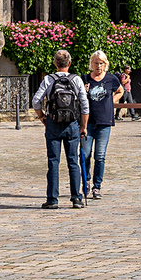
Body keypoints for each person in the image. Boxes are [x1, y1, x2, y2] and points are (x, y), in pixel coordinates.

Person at [30, 49, 87, 209]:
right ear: (69, 63)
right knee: (73, 162)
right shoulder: (76, 79)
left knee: (53, 162)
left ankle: (53, 199)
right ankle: (76, 198)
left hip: (53, 124)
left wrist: (42, 117)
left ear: (55, 63)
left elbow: (36, 101)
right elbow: (84, 105)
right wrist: (83, 126)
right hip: (72, 125)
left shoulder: (49, 79)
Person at [80, 51, 124, 199]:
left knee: (100, 156)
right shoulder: (85, 79)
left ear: (105, 64)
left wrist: (112, 102)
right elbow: (78, 98)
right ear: (91, 63)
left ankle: (97, 187)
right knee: (85, 155)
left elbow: (120, 90)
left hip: (105, 121)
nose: (98, 66)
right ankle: (85, 181)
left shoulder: (111, 79)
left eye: (101, 63)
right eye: (96, 63)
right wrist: (83, 92)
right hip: (88, 122)